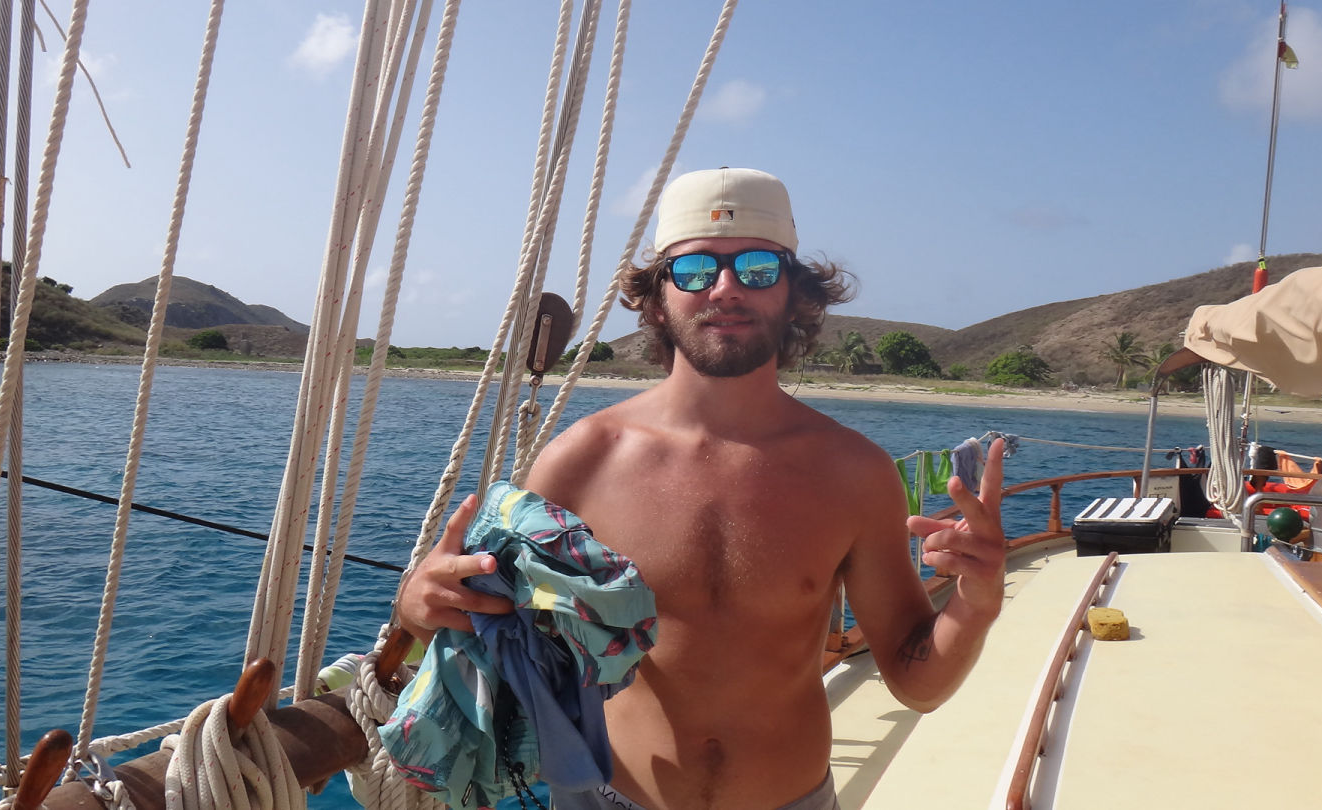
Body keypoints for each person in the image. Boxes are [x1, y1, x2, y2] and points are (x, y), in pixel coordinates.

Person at [396, 167, 1006, 810]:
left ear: (795, 295)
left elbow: (918, 685)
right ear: (658, 299)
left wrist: (978, 598)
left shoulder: (855, 474)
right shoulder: (582, 461)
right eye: (694, 270)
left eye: (758, 269)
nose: (726, 288)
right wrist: (418, 607)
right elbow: (498, 644)